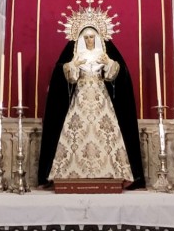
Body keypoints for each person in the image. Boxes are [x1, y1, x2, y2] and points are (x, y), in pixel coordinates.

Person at [37, 19, 145, 189]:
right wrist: (72, 65)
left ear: (97, 38)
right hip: (79, 99)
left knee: (106, 134)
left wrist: (109, 63)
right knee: (75, 133)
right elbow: (67, 76)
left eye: (92, 37)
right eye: (86, 37)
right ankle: (69, 173)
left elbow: (115, 73)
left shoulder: (104, 53)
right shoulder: (75, 54)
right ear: (80, 39)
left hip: (101, 99)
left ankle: (112, 173)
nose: (89, 40)